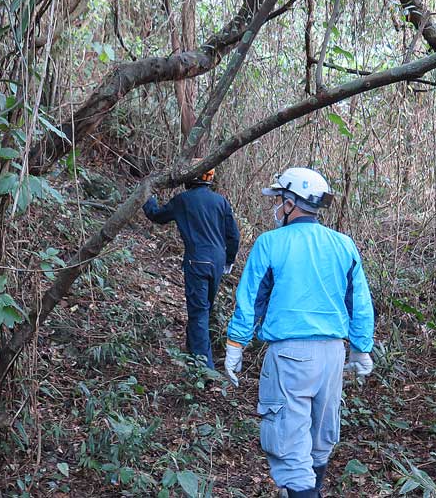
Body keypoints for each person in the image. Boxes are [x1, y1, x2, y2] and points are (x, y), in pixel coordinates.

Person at [223, 167, 375, 498]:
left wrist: (236, 343)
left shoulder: (270, 243)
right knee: (320, 440)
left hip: (290, 356)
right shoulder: (343, 245)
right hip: (333, 355)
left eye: (279, 200)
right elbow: (359, 301)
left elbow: (251, 299)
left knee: (290, 448)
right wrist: (361, 348)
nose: (276, 207)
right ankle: (310, 491)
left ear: (292, 203)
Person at [143, 160, 240, 369]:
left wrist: (147, 196)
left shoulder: (183, 201)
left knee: (199, 313)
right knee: (204, 309)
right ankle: (193, 351)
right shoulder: (220, 201)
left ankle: (204, 368)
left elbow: (157, 216)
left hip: (197, 261)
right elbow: (233, 235)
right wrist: (229, 260)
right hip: (217, 262)